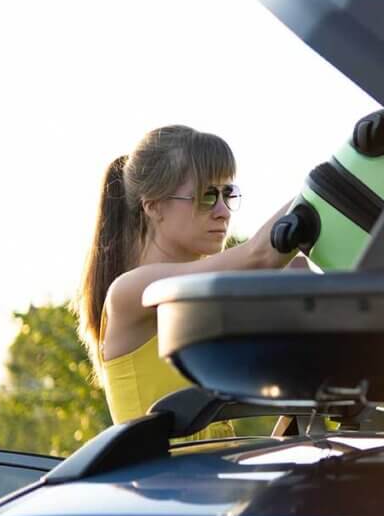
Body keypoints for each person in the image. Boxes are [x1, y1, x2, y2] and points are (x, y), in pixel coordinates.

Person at [76, 125, 295, 425]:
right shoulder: (132, 290)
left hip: (208, 471)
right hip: (164, 474)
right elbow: (260, 255)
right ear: (153, 206)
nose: (223, 211)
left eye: (227, 194)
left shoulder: (200, 303)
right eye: (207, 196)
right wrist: (325, 187)